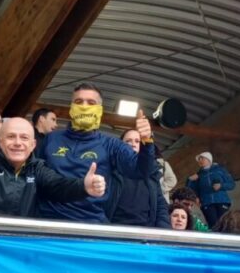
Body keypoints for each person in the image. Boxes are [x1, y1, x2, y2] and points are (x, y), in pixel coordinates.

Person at [38, 82, 156, 223]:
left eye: (91, 102)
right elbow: (34, 175)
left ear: (99, 110)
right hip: (47, 221)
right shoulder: (51, 139)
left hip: (90, 223)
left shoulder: (111, 145)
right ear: (71, 108)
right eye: (79, 101)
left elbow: (142, 171)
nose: (84, 106)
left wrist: (147, 141)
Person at [0, 118, 105, 216]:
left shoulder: (37, 168)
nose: (18, 143)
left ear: (33, 145)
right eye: (11, 137)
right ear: (0, 141)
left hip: (17, 244)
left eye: (24, 138)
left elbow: (59, 186)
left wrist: (83, 187)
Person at [109, 128, 168, 228]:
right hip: (114, 231)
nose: (133, 144)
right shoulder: (110, 170)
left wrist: (163, 231)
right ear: (120, 145)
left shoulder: (152, 174)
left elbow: (161, 205)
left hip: (145, 234)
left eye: (137, 141)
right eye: (128, 141)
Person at [187, 152, 235, 227]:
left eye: (202, 158)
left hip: (222, 201)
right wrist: (189, 179)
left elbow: (232, 184)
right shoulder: (198, 175)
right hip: (206, 203)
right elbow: (190, 189)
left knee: (224, 224)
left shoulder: (220, 170)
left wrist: (221, 186)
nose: (199, 161)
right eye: (199, 159)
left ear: (208, 159)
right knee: (213, 225)